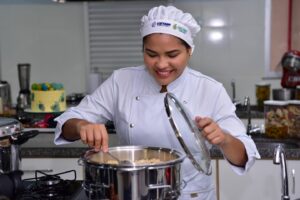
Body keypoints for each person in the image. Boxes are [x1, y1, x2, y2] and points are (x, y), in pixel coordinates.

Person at [54, 5, 260, 200]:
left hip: (191, 196)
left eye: (172, 55)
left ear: (189, 50)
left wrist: (224, 139)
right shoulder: (121, 81)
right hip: (132, 193)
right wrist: (82, 126)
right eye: (151, 54)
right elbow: (67, 123)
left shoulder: (210, 89)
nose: (161, 64)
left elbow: (244, 156)